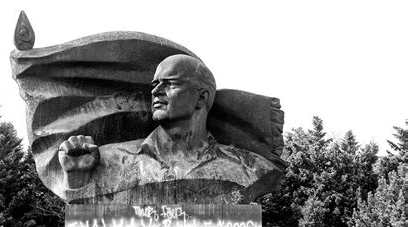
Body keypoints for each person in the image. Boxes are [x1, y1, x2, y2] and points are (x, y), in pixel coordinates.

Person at [57, 55, 282, 204]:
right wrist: (77, 180)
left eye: (170, 84)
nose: (156, 92)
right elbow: (87, 222)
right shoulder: (109, 161)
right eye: (155, 85)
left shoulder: (248, 167)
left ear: (201, 97)